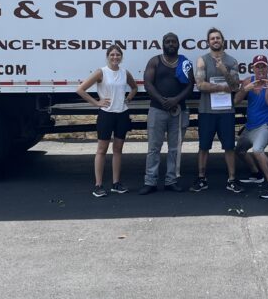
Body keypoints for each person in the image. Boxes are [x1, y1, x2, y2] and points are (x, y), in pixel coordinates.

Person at [76, 44, 137, 197]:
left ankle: (116, 183)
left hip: (122, 114)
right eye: (112, 55)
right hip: (106, 114)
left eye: (118, 55)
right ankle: (98, 185)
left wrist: (129, 98)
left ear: (121, 57)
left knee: (118, 150)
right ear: (107, 56)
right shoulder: (101, 72)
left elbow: (134, 87)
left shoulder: (125, 72)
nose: (115, 57)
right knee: (101, 150)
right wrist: (97, 103)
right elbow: (80, 89)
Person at [140, 32, 195, 194]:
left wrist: (175, 100)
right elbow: (148, 84)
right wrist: (163, 100)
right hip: (157, 109)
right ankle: (150, 181)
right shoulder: (155, 61)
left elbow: (190, 86)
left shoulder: (185, 63)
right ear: (162, 44)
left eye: (174, 42)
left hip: (178, 111)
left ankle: (171, 180)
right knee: (153, 148)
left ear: (178, 44)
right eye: (168, 42)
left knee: (175, 148)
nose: (171, 44)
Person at [193, 27, 242, 193]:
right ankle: (201, 179)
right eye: (212, 38)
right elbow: (200, 85)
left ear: (223, 41)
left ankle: (232, 180)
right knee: (204, 146)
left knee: (229, 147)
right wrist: (221, 87)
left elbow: (235, 86)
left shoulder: (232, 61)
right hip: (207, 111)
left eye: (218, 38)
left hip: (226, 112)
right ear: (208, 42)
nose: (215, 40)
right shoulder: (202, 60)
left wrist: (223, 71)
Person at [234, 55, 268, 199]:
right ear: (253, 68)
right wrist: (245, 89)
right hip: (250, 127)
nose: (261, 69)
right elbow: (236, 101)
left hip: (266, 126)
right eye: (258, 66)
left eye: (263, 66)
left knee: (257, 150)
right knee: (239, 150)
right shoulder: (248, 81)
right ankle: (256, 174)